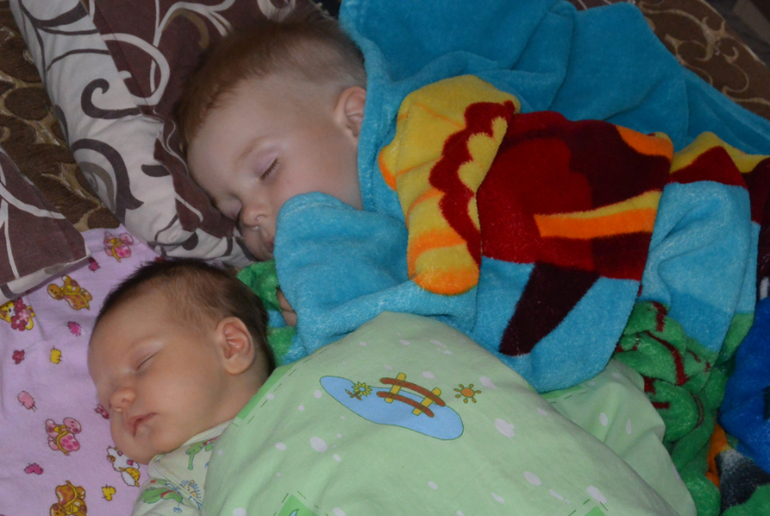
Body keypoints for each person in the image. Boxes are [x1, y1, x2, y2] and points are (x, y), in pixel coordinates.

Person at [88, 258, 274, 514]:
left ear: (231, 346)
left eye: (142, 363)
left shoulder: (310, 383)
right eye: (107, 404)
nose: (118, 399)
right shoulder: (174, 488)